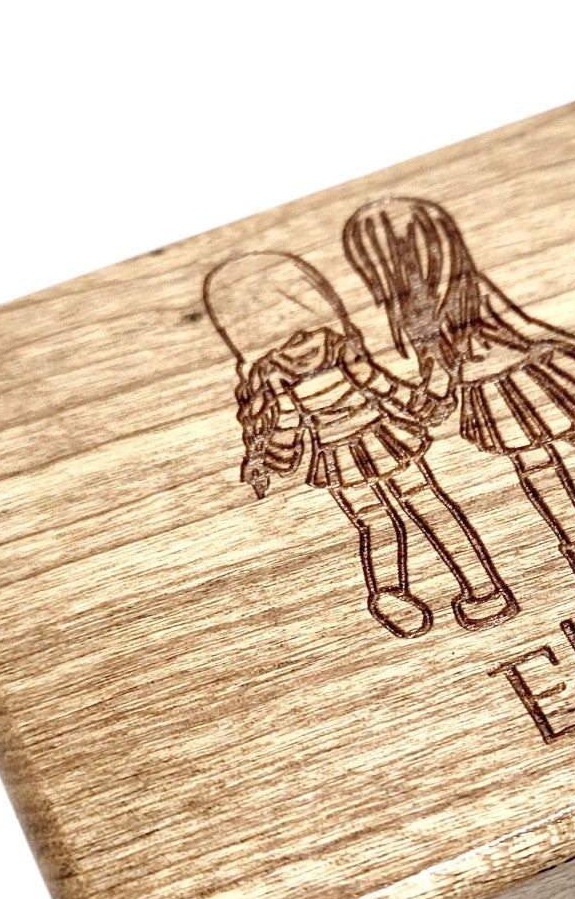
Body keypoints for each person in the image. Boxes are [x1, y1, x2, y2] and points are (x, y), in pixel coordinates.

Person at [341, 196, 575, 585]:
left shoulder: (421, 312)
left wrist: (431, 400)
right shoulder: (460, 291)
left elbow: (441, 367)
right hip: (522, 375)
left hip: (495, 390)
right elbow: (517, 327)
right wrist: (570, 344)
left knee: (540, 460)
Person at [203, 249, 517, 638]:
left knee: (381, 519)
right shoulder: (323, 351)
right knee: (419, 507)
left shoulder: (283, 368)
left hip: (348, 450)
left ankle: (411, 591)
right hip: (371, 440)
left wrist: (276, 459)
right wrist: (420, 405)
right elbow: (376, 386)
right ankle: (475, 591)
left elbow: (296, 420)